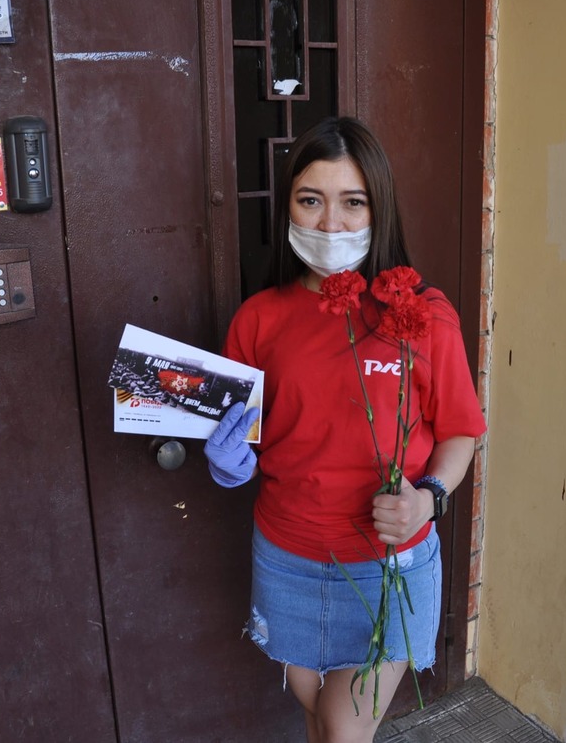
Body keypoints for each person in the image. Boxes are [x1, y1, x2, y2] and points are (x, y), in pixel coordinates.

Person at [204, 116, 486, 743]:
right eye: (311, 200)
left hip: (388, 563)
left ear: (379, 208)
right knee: (315, 712)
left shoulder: (420, 315)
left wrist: (428, 499)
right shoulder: (257, 320)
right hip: (287, 558)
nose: (330, 224)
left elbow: (461, 432)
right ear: (287, 207)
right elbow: (249, 434)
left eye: (352, 202)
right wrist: (229, 460)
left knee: (340, 728)